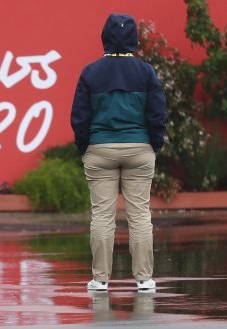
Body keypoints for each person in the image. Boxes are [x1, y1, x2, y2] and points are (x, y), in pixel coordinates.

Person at [70, 13, 167, 292]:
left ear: (105, 38)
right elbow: (157, 114)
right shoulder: (146, 72)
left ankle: (100, 279)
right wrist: (153, 145)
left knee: (102, 216)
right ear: (133, 39)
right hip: (139, 148)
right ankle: (143, 279)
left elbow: (80, 117)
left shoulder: (90, 72)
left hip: (100, 150)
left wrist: (85, 149)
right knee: (139, 215)